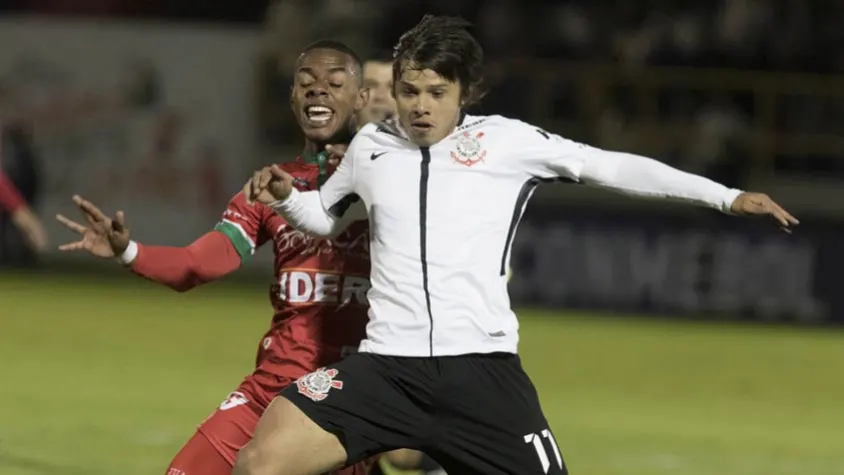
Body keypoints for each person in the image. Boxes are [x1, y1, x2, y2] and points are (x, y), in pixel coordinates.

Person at [235, 15, 799, 475]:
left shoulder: (507, 142)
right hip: (385, 370)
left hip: (480, 376)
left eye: (437, 92)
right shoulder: (371, 147)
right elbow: (324, 218)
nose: (420, 106)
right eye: (409, 91)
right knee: (261, 463)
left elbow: (611, 166)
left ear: (466, 93)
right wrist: (287, 196)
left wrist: (726, 197)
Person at [55, 40, 377, 475]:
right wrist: (127, 251)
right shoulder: (271, 187)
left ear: (361, 98)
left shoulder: (391, 178)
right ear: (292, 97)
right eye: (306, 83)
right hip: (274, 389)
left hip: (353, 395)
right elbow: (200, 263)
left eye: (335, 83)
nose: (318, 91)